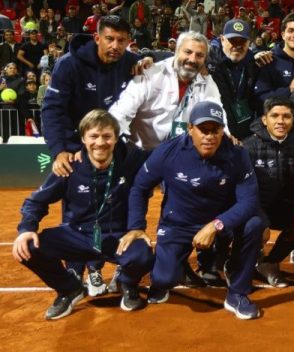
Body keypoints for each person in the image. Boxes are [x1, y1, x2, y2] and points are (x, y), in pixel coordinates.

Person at [125, 101, 264, 320]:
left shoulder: (238, 155)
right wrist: (136, 226)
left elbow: (248, 202)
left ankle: (237, 292)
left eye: (215, 130)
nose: (209, 136)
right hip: (179, 223)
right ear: (190, 129)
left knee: (255, 224)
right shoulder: (168, 152)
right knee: (163, 279)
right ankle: (178, 264)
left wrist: (216, 225)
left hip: (218, 222)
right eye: (203, 129)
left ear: (222, 130)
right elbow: (139, 187)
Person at [12, 110, 153, 320]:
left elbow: (163, 157)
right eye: (94, 136)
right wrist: (26, 229)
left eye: (107, 136)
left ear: (116, 138)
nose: (100, 143)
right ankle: (69, 289)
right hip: (77, 235)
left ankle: (127, 283)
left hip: (117, 236)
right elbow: (36, 201)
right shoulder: (69, 166)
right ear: (83, 139)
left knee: (143, 254)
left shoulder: (131, 160)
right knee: (28, 248)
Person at [42, 16, 143, 177]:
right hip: (75, 147)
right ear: (97, 38)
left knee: (122, 196)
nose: (115, 46)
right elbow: (52, 110)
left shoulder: (131, 61)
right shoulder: (68, 65)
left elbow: (162, 62)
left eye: (121, 40)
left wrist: (148, 60)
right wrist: (60, 150)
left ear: (128, 41)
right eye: (109, 39)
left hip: (113, 145)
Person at [109, 31, 221, 150]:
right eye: (188, 52)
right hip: (143, 153)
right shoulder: (151, 73)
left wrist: (227, 136)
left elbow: (217, 113)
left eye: (199, 55)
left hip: (180, 154)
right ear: (177, 51)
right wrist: (106, 136)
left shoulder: (207, 82)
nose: (192, 59)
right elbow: (122, 112)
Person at [242, 97, 294, 288]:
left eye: (286, 116)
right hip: (253, 208)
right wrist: (261, 220)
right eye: (275, 116)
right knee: (252, 226)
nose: (281, 121)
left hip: (280, 207)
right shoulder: (248, 147)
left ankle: (269, 263)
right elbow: (244, 190)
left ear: (293, 120)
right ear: (264, 119)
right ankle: (239, 261)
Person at [207, 19, 259, 140]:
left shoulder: (255, 64)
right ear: (222, 40)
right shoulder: (208, 62)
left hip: (245, 132)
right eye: (232, 40)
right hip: (216, 131)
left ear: (249, 43)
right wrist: (152, 57)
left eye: (242, 41)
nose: (237, 45)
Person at [253, 13, 294, 117]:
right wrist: (289, 90)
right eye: (291, 30)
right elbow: (260, 99)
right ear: (283, 35)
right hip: (277, 127)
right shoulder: (269, 60)